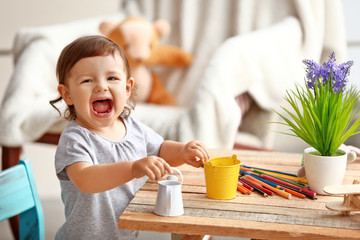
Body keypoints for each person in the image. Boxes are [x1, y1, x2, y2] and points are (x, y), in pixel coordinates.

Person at [50, 35, 210, 240]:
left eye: (112, 78)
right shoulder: (75, 139)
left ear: (127, 88)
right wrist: (133, 168)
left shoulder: (131, 126)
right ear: (68, 94)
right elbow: (86, 179)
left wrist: (181, 151)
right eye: (87, 80)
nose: (101, 87)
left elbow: (159, 149)